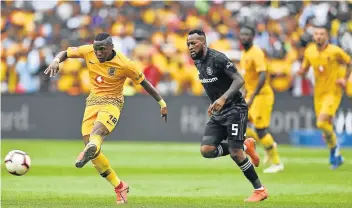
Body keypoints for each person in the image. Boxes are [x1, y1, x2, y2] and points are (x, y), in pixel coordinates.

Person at [44, 32, 168, 204]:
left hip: (112, 103)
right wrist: (56, 60)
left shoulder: (125, 64)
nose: (98, 52)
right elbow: (66, 52)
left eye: (102, 49)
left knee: (98, 132)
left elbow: (144, 82)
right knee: (93, 152)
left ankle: (92, 147)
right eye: (96, 49)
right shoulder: (88, 51)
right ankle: (120, 186)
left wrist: (161, 102)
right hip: (92, 102)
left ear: (111, 48)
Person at [187, 29, 268, 202]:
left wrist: (223, 98)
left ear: (204, 42)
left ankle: (260, 190)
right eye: (188, 44)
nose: (190, 47)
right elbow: (213, 84)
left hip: (235, 108)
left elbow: (239, 80)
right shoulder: (198, 62)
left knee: (235, 152)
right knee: (207, 150)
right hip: (219, 111)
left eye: (194, 43)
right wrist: (214, 102)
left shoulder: (218, 58)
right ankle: (246, 146)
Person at [297, 25, 351, 169]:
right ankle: (336, 155)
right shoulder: (309, 51)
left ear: (326, 36)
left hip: (333, 92)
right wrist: (301, 72)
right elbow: (305, 68)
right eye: (316, 34)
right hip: (318, 93)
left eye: (322, 34)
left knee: (321, 123)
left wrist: (345, 79)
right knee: (325, 126)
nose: (319, 36)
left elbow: (349, 62)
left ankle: (335, 149)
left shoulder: (335, 51)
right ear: (313, 37)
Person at [239, 25, 284, 174]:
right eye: (242, 34)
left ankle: (277, 162)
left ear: (252, 37)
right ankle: (269, 145)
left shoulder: (256, 52)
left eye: (247, 34)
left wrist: (251, 97)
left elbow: (263, 75)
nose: (244, 37)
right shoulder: (244, 54)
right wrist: (245, 95)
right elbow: (247, 79)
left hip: (262, 95)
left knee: (260, 129)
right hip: (251, 95)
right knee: (241, 126)